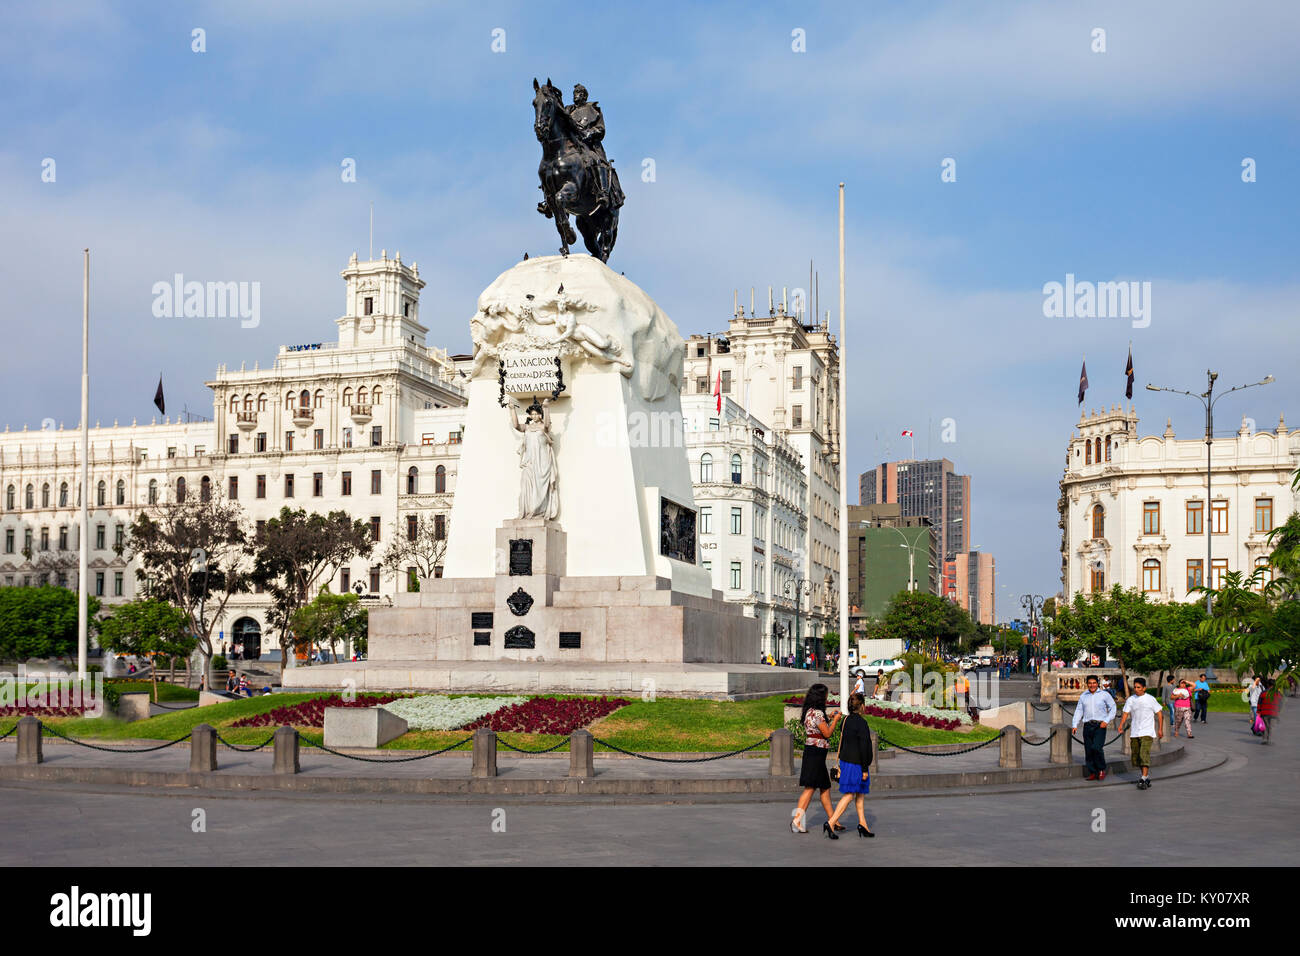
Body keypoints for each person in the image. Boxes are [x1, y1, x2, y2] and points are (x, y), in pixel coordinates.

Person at [793, 683, 842, 834]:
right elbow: (827, 733)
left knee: (825, 787)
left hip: (812, 751)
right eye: (826, 695)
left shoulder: (809, 711)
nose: (827, 697)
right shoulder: (818, 714)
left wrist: (830, 717)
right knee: (810, 787)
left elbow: (818, 727)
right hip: (816, 753)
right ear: (821, 696)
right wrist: (835, 720)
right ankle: (797, 820)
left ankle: (834, 820)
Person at [825, 692, 875, 839]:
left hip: (846, 761)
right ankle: (831, 822)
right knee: (850, 795)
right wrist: (865, 769)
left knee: (859, 794)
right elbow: (864, 747)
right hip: (857, 764)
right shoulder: (862, 723)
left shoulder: (845, 720)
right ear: (862, 707)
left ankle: (862, 824)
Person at [1117, 677, 1164, 790]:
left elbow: (1159, 714)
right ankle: (1146, 776)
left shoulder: (1150, 699)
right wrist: (1121, 725)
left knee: (1144, 754)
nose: (1136, 689)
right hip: (1135, 731)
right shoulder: (1131, 699)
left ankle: (1143, 778)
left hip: (1147, 731)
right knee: (1137, 757)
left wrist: (1160, 729)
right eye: (1135, 687)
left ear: (1144, 688)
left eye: (1139, 687)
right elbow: (1125, 713)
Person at [1072, 675, 1117, 780]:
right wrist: (1075, 724)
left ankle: (1101, 769)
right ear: (1087, 684)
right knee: (1088, 750)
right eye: (1090, 683)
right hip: (1087, 725)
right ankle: (1092, 771)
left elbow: (1113, 707)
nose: (1092, 685)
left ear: (1098, 684)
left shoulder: (1104, 695)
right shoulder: (1084, 696)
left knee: (1097, 747)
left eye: (1094, 683)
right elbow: (1079, 710)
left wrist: (1106, 720)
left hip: (1099, 726)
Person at [1257, 679, 1282, 744]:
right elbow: (1280, 704)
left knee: (1265, 726)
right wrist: (1278, 711)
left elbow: (1259, 703)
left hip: (1264, 713)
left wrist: (1258, 712)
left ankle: (1265, 739)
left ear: (1268, 685)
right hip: (1274, 713)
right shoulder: (1278, 694)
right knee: (1271, 727)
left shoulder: (1263, 693)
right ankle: (1269, 740)